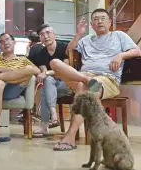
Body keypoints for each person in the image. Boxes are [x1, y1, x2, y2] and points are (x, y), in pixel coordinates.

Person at [51, 8, 141, 151]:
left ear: (110, 22)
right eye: (96, 19)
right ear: (92, 25)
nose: (99, 21)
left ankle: (70, 137)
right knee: (54, 63)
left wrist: (120, 56)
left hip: (107, 79)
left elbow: (137, 51)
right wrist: (78, 34)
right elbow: (69, 50)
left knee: (83, 88)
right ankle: (86, 79)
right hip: (85, 76)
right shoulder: (86, 39)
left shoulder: (119, 36)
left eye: (103, 18)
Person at [0, 33, 40, 146]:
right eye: (1, 41)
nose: (5, 43)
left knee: (29, 69)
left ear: (14, 42)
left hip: (11, 91)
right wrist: (0, 69)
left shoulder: (22, 60)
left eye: (7, 39)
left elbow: (37, 71)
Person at [31, 25, 73, 138]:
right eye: (42, 34)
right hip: (53, 87)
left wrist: (48, 73)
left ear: (54, 35)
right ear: (40, 39)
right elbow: (44, 72)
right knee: (47, 83)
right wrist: (47, 74)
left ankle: (45, 126)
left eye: (48, 33)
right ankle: (53, 116)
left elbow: (65, 69)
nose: (45, 36)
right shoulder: (40, 53)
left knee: (46, 83)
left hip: (68, 84)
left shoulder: (64, 48)